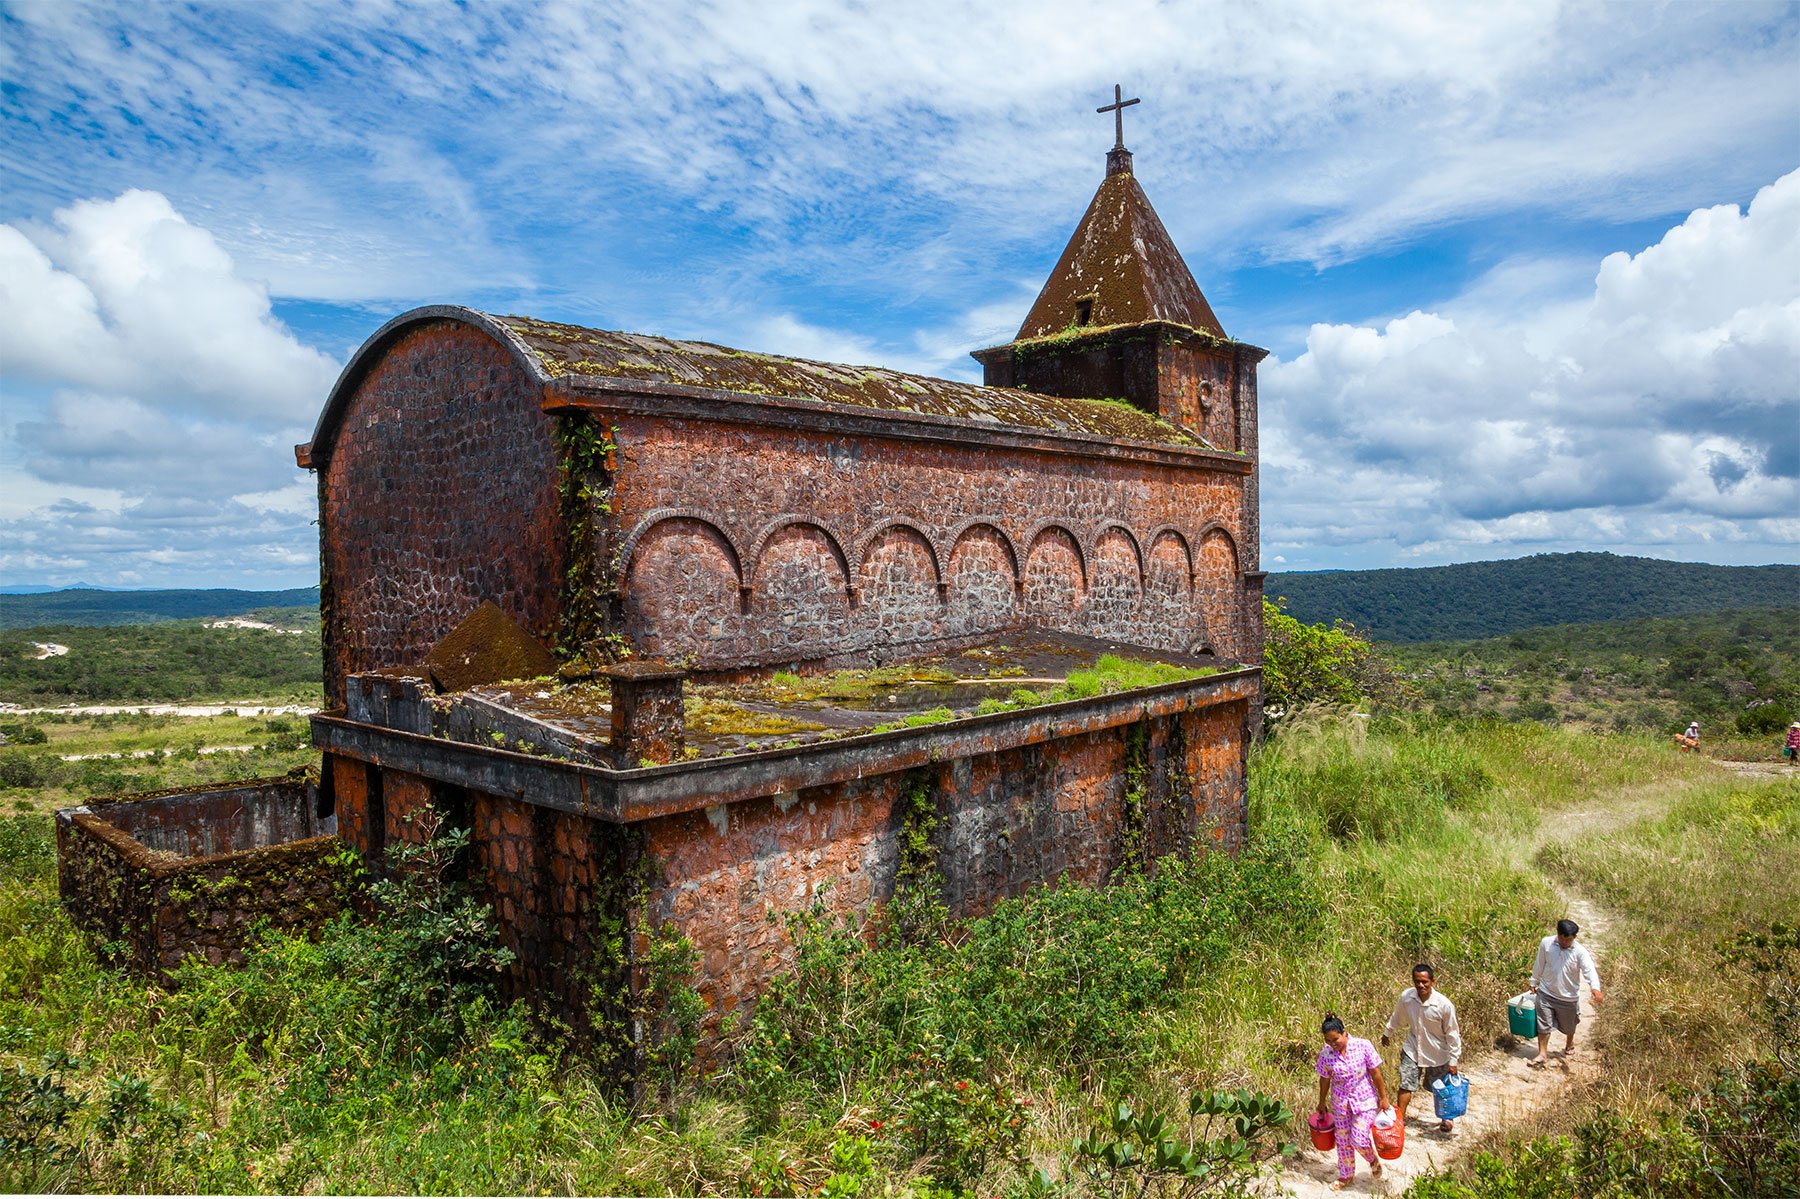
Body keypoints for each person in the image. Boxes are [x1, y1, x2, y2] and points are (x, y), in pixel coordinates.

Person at [1382, 962, 1462, 1133]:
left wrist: (1453, 1061)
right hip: (1413, 1049)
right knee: (1406, 1084)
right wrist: (1387, 1033)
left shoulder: (1444, 1005)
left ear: (1433, 982)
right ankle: (1400, 1121)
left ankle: (1447, 1119)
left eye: (1424, 982)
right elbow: (1398, 1017)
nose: (1421, 985)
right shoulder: (1407, 998)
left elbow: (1453, 1034)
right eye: (1417, 981)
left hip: (1438, 1053)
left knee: (1440, 1088)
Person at [1315, 1012, 1390, 1190]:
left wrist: (1384, 1097)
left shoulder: (1363, 1046)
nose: (1333, 1044)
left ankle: (1372, 1160)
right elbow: (1324, 1079)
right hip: (1340, 1103)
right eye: (1328, 1041)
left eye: (1335, 1039)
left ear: (1344, 1033)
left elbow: (1376, 1073)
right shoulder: (1326, 1054)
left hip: (1365, 1100)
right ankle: (1346, 1175)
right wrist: (1321, 1102)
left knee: (1358, 1138)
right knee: (1343, 1141)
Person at [1528, 918, 1603, 1067]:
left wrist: (1595, 989)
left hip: (1568, 998)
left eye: (1567, 940)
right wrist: (1534, 981)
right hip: (1546, 993)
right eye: (1561, 939)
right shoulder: (1546, 943)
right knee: (1543, 1025)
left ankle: (1569, 1043)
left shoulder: (1580, 952)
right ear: (1557, 934)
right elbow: (1539, 963)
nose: (1564, 942)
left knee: (1570, 1026)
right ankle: (1542, 1053)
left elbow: (1589, 970)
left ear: (1574, 938)